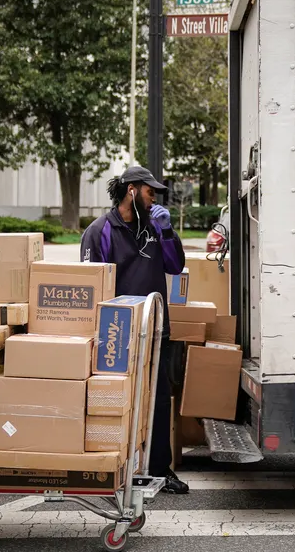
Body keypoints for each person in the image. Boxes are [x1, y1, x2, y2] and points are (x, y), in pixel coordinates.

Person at [79, 165, 189, 495]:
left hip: (155, 328)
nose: (154, 197)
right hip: (116, 332)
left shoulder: (155, 228)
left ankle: (159, 469)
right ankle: (110, 465)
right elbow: (91, 282)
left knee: (158, 401)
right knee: (115, 399)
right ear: (131, 190)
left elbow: (175, 266)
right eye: (149, 190)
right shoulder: (100, 230)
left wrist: (167, 231)